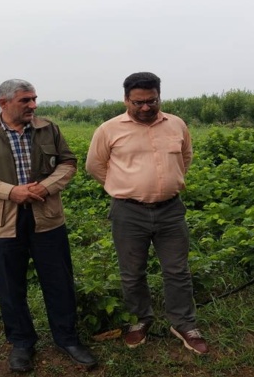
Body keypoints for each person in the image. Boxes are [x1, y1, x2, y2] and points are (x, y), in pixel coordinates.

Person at [0, 79, 97, 372]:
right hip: (2, 220)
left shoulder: (48, 128)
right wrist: (11, 192)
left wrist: (44, 187)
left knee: (58, 280)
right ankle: (21, 342)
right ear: (3, 103)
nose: (33, 105)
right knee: (10, 284)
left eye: (34, 99)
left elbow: (68, 163)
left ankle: (68, 338)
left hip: (46, 216)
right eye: (25, 100)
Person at [85, 71, 208, 355]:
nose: (145, 108)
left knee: (177, 270)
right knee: (132, 273)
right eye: (138, 102)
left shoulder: (176, 125)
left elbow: (186, 157)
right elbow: (95, 165)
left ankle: (184, 323)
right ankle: (139, 320)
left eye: (151, 101)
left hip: (171, 210)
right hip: (129, 212)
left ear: (158, 96)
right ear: (126, 99)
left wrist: (167, 184)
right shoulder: (109, 129)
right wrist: (122, 187)